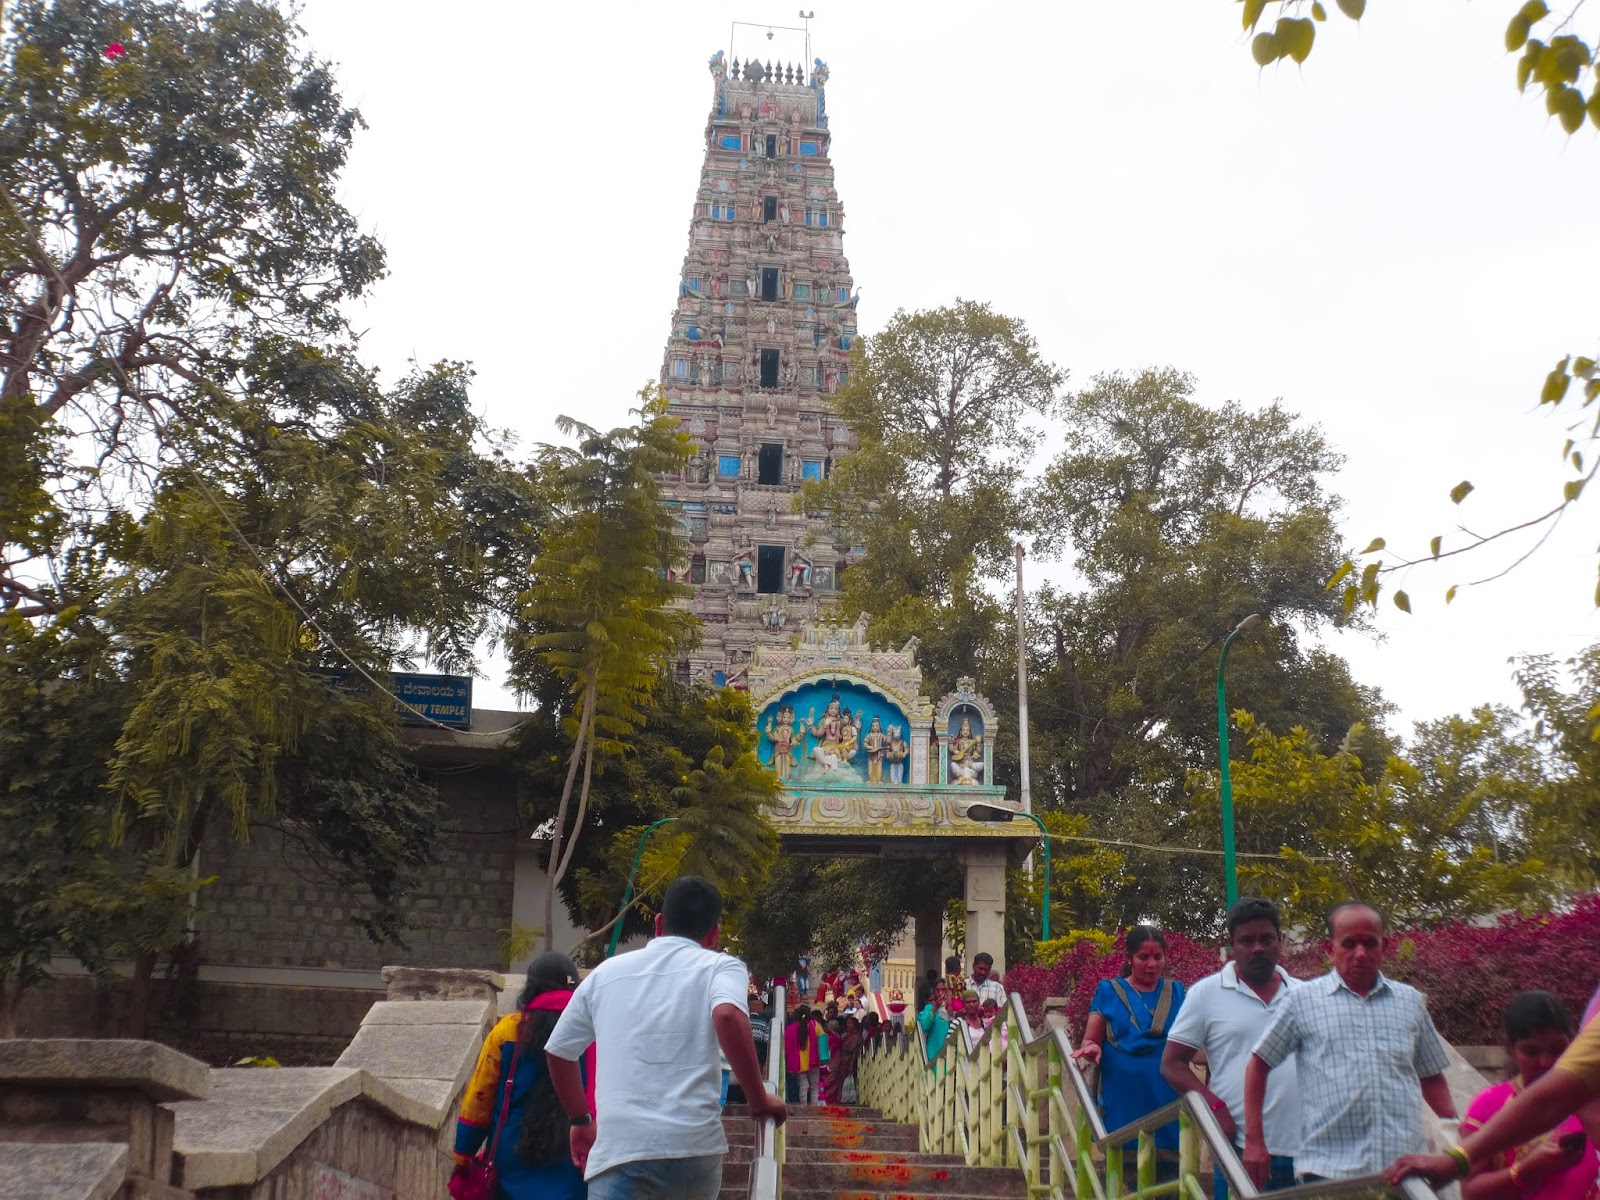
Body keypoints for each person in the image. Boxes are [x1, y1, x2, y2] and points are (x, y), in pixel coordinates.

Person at [544, 876, 784, 1200]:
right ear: (714, 934)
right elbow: (727, 1014)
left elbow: (560, 1051)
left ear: (659, 923)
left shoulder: (605, 974)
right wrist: (758, 1099)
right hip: (692, 1149)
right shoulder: (721, 967)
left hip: (620, 1151)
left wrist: (580, 1119)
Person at [1245, 901, 1456, 1185]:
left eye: (1370, 943)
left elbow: (1431, 1076)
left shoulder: (1410, 1002)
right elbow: (1258, 1065)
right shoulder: (1302, 1001)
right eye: (1349, 944)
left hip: (1405, 1172)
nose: (1361, 953)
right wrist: (1255, 1141)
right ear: (1330, 949)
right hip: (1329, 1173)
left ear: (1384, 946)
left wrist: (1457, 1138)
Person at [1387, 993, 1599, 1197]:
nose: (1546, 1061)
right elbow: (1471, 1192)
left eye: (1558, 1049)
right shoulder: (1490, 1105)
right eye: (1531, 1052)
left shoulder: (1587, 1099)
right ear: (1510, 1049)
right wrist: (1528, 1168)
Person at [1162, 897, 1301, 1197]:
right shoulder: (1206, 994)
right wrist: (1215, 1107)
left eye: (1266, 938)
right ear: (1232, 945)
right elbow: (1172, 1064)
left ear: (1281, 940)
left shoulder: (1306, 995)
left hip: (1310, 1151)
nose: (1258, 948)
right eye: (1247, 940)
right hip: (1240, 1148)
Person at [454, 953, 591, 1200]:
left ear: (531, 987)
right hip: (577, 1159)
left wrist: (463, 1156)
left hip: (512, 1163)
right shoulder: (594, 1032)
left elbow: (479, 1099)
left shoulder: (508, 1030)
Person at [1073, 925, 1187, 1172]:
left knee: (1171, 1182)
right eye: (1143, 957)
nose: (1152, 964)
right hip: (1124, 1100)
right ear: (1129, 958)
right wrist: (1091, 1049)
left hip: (1166, 1096)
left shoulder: (1177, 992)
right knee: (1125, 1176)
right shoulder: (1108, 991)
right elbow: (1091, 1038)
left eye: (1158, 957)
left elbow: (1191, 1041)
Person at [786, 1002, 823, 1105]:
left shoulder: (791, 1028)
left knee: (802, 1084)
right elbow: (823, 1038)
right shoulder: (815, 1025)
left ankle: (803, 1105)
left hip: (799, 1062)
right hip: (814, 1060)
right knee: (814, 1086)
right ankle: (814, 1106)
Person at [918, 979, 953, 1061]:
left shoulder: (955, 1006)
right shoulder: (929, 1008)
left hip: (953, 1052)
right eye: (937, 990)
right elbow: (924, 1026)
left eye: (943, 990)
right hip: (936, 1053)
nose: (940, 993)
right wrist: (935, 1008)